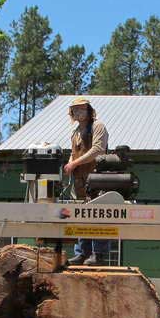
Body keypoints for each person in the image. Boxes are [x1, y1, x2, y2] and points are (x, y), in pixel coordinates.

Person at [64, 97, 110, 266]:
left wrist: (74, 163)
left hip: (98, 180)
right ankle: (83, 253)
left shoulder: (98, 126)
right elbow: (73, 153)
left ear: (89, 110)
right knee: (81, 216)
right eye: (75, 109)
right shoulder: (75, 132)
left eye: (82, 109)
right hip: (80, 181)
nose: (79, 112)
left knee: (98, 216)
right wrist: (70, 164)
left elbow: (98, 150)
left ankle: (99, 254)